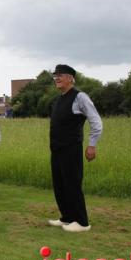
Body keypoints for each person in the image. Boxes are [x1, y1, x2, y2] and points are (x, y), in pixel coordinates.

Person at [48, 64, 102, 233]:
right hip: (57, 149)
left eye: (60, 75)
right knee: (60, 185)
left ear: (71, 78)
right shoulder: (59, 99)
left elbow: (96, 122)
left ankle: (82, 222)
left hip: (71, 148)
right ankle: (67, 218)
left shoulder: (80, 97)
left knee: (72, 184)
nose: (56, 78)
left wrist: (92, 145)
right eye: (55, 75)